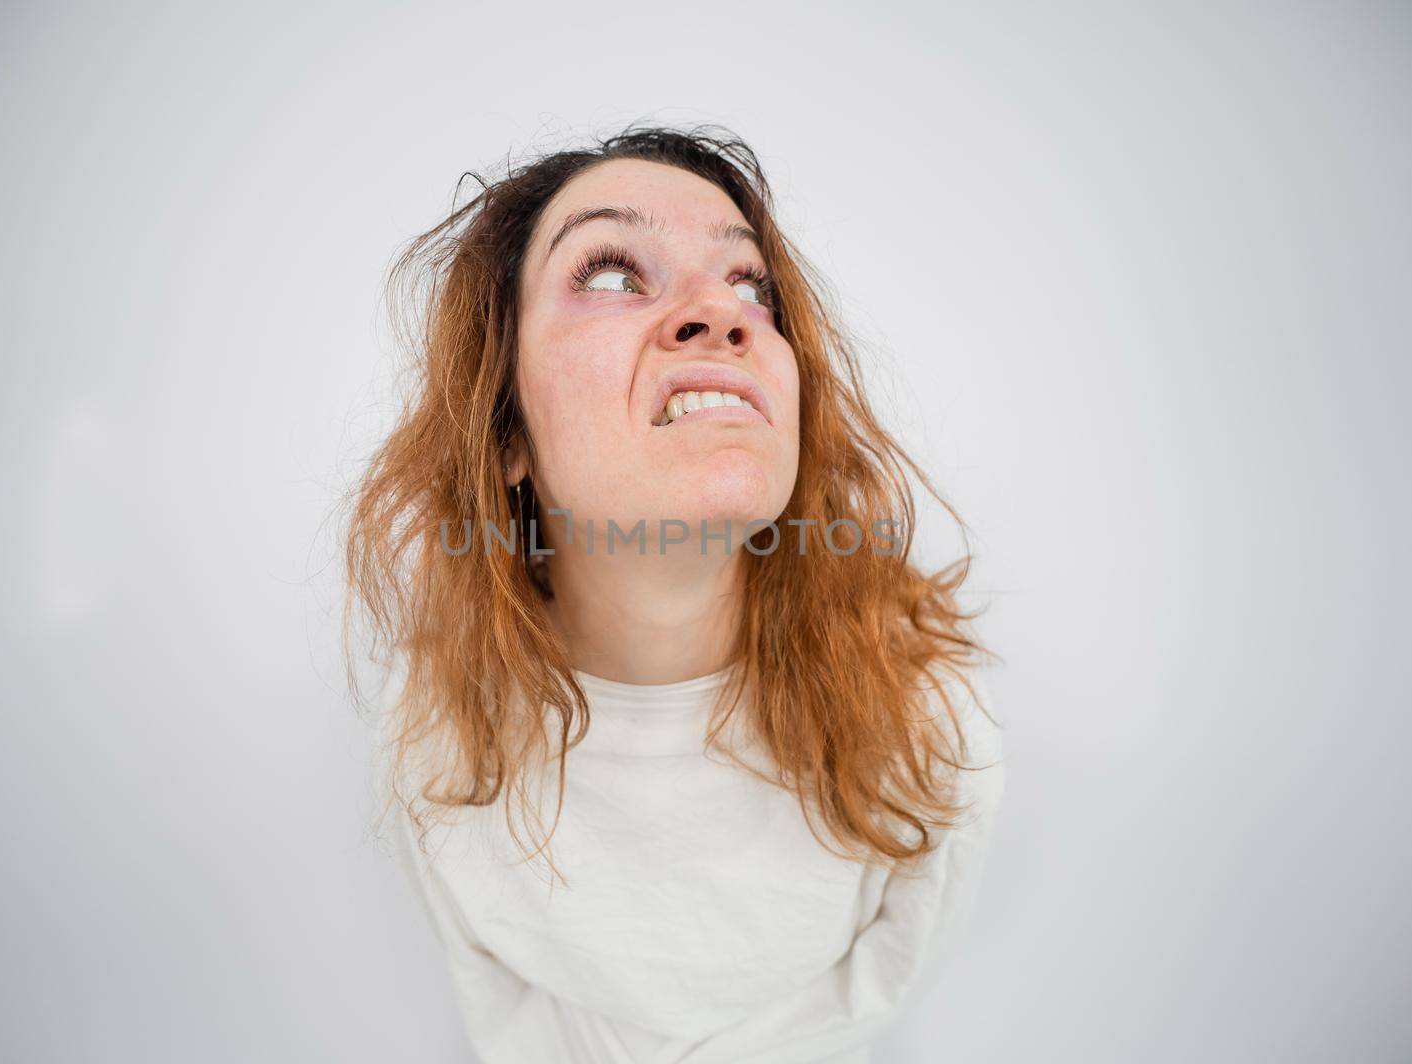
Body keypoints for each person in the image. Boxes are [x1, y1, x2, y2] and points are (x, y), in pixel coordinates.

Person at [343, 123, 1007, 1064]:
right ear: (507, 433)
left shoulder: (929, 715)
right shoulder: (433, 735)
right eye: (612, 273)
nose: (722, 316)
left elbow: (878, 993)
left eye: (750, 285)